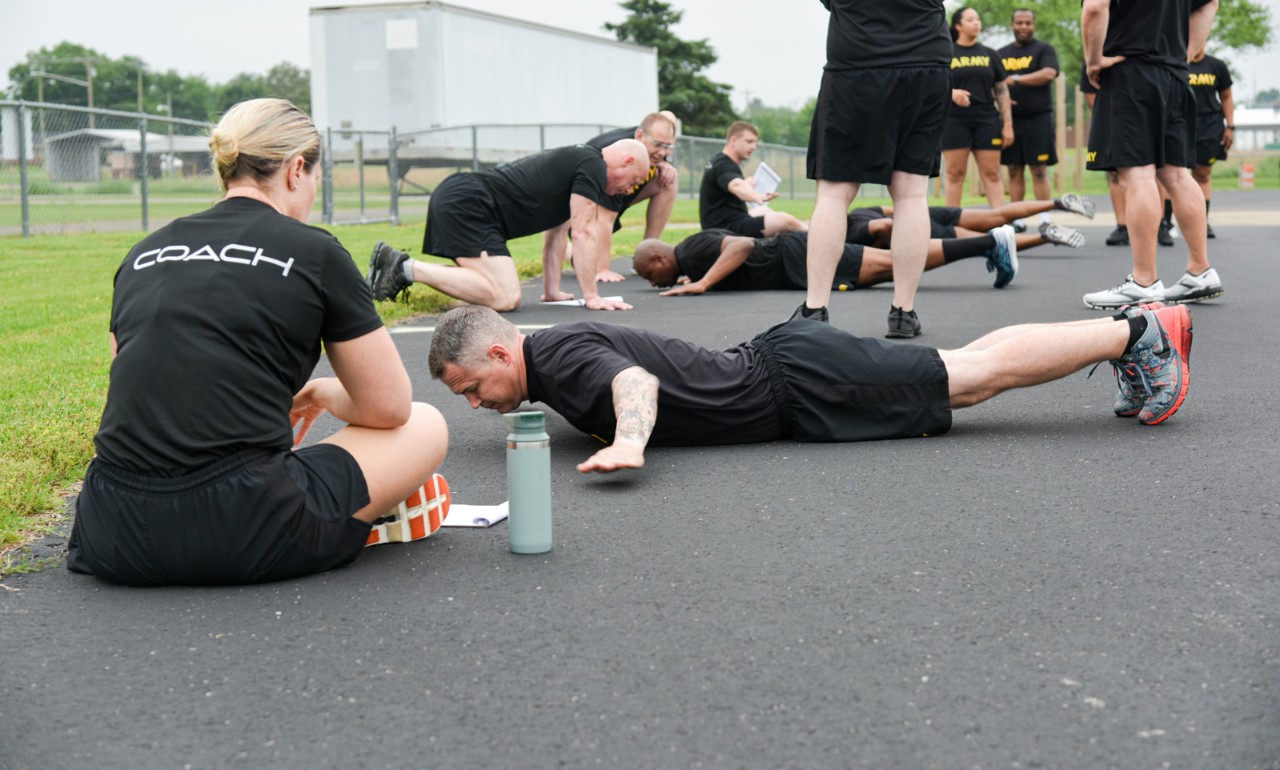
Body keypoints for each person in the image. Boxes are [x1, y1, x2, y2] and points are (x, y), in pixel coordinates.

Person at [66, 98, 451, 587]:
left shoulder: (143, 252)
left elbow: (135, 383)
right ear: (295, 170)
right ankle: (348, 522)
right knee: (426, 423)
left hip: (111, 528)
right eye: (316, 178)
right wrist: (322, 392)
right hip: (243, 526)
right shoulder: (316, 252)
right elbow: (390, 408)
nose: (313, 191)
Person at [428, 302, 1192, 475]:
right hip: (794, 371)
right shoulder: (551, 354)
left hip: (800, 384)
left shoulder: (554, 359)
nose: (475, 404)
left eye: (471, 386)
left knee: (972, 380)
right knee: (961, 367)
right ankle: (1133, 336)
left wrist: (630, 440)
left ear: (501, 350)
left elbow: (631, 380)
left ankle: (1140, 335)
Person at [805, 0, 960, 338]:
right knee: (910, 193)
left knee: (834, 192)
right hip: (926, 63)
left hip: (856, 62)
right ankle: (903, 312)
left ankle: (815, 310)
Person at [1081, 0, 1222, 309]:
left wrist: (1093, 59)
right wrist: (1187, 52)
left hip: (1132, 73)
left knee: (1138, 175)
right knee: (1176, 174)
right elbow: (1210, 1)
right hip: (1175, 75)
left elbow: (1096, 6)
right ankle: (1200, 270)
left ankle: (1144, 281)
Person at [366, 140, 651, 312]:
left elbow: (556, 236)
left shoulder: (582, 163)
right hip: (470, 203)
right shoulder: (593, 166)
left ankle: (399, 267)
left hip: (471, 202)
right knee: (505, 296)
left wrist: (551, 291)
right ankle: (403, 267)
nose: (629, 190)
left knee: (498, 292)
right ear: (626, 161)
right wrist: (592, 297)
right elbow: (584, 232)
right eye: (634, 180)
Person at [632, 221, 1022, 295]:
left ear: (657, 257)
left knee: (894, 263)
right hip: (796, 260)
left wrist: (703, 282)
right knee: (893, 265)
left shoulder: (690, 251)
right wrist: (696, 278)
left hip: (797, 257)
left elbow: (741, 246)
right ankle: (989, 244)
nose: (651, 282)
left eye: (647, 274)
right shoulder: (690, 255)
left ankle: (990, 242)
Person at [567, 111, 680, 283]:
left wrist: (664, 164)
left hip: (613, 196)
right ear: (640, 135)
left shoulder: (652, 145)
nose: (662, 152)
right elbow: (605, 217)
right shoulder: (617, 157)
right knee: (587, 265)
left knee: (668, 180)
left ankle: (648, 250)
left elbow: (659, 151)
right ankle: (564, 248)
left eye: (668, 147)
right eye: (658, 145)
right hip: (578, 210)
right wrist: (603, 269)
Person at [943, 6, 1014, 209]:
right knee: (955, 174)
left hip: (987, 120)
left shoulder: (990, 54)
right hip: (954, 120)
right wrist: (952, 94)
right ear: (958, 25)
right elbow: (934, 85)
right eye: (970, 19)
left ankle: (1001, 224)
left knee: (992, 174)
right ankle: (951, 226)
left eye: (978, 19)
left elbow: (1002, 91)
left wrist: (1007, 124)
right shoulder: (946, 53)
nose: (976, 23)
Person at [1159, 51, 1234, 242]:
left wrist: (1230, 127)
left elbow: (1226, 96)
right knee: (1170, 174)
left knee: (1202, 174)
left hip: (1209, 125)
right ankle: (1165, 224)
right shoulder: (1175, 62)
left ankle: (1202, 222)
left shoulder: (1217, 66)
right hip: (1180, 122)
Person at [847, 195, 1091, 248]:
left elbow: (884, 226)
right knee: (997, 215)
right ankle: (1057, 203)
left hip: (921, 228)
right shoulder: (857, 212)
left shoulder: (851, 232)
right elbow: (890, 210)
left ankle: (1046, 236)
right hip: (926, 212)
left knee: (989, 241)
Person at [700, 121, 806, 237]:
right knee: (785, 220)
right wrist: (757, 196)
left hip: (726, 222)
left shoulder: (718, 161)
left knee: (765, 211)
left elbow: (733, 184)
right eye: (749, 142)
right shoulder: (724, 165)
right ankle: (816, 237)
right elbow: (736, 185)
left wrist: (747, 185)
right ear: (733, 140)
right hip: (726, 229)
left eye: (755, 142)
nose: (754, 147)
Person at [999, 9, 1060, 201]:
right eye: (1019, 23)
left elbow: (1049, 73)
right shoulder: (1001, 53)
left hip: (1038, 119)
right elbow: (994, 83)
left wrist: (1016, 78)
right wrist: (999, 98)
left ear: (1034, 25)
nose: (1023, 27)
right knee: (1014, 172)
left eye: (1028, 23)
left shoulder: (1044, 49)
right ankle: (1017, 220)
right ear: (1012, 25)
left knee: (1039, 171)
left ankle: (1044, 219)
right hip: (1011, 121)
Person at [1080, 64, 1131, 246]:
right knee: (1114, 172)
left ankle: (1162, 224)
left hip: (1140, 115)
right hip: (1112, 119)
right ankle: (1122, 226)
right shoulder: (1093, 58)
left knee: (1156, 171)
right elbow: (1091, 97)